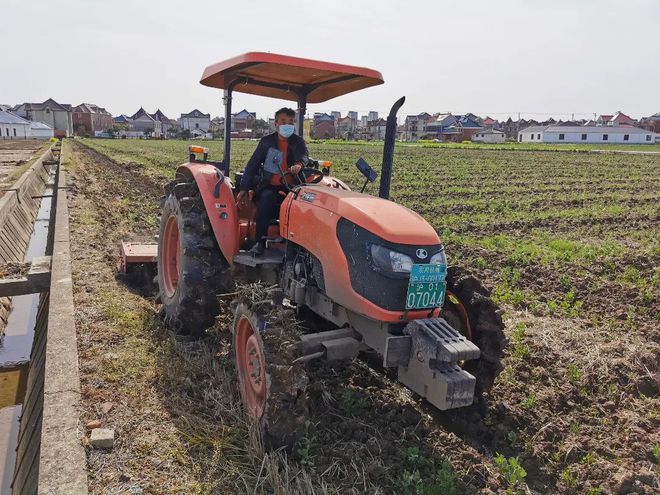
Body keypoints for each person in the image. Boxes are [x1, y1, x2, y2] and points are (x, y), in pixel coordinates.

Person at [237, 107, 308, 255]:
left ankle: (296, 246)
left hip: (291, 187)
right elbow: (252, 165)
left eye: (291, 122)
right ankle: (260, 242)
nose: (287, 125)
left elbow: (303, 156)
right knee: (267, 198)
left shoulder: (298, 142)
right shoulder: (266, 142)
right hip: (269, 185)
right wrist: (243, 189)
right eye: (283, 121)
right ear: (276, 124)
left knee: (304, 204)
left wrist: (299, 165)